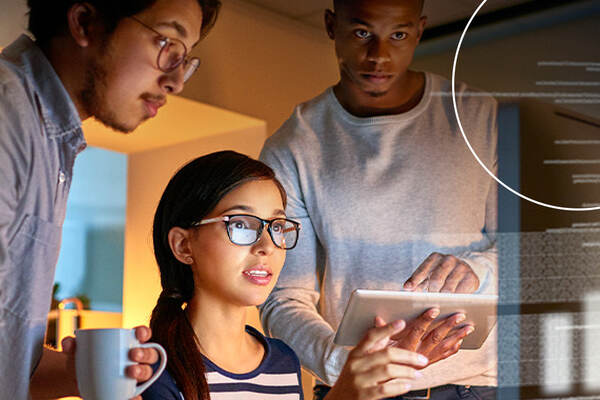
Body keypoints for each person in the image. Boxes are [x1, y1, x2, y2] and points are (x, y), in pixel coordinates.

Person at [259, 0, 498, 399]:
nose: (379, 55)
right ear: (331, 25)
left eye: (399, 35)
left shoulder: (480, 118)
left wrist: (477, 271)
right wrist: (343, 364)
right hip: (359, 389)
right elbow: (283, 297)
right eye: (362, 33)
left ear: (420, 30)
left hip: (475, 387)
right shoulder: (294, 145)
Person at [0, 0, 220, 398]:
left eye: (185, 60)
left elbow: (10, 367)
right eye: (167, 44)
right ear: (84, 22)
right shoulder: (7, 118)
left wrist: (81, 370)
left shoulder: (53, 144)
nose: (177, 81)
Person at [142, 150, 469, 400]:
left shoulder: (283, 360)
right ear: (184, 246)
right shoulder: (147, 363)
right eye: (241, 225)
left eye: (277, 226)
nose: (267, 245)